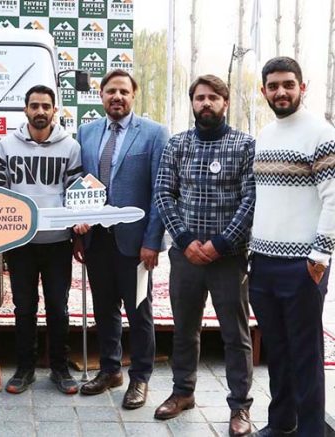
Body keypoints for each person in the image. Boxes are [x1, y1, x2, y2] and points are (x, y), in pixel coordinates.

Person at [153, 75, 255, 435]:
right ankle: (183, 393)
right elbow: (164, 193)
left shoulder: (244, 145)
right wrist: (183, 239)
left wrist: (221, 243)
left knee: (235, 334)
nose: (206, 103)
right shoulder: (177, 145)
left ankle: (240, 407)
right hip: (186, 255)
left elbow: (250, 200)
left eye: (213, 97)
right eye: (200, 98)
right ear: (192, 103)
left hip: (228, 257)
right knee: (185, 329)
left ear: (225, 102)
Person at [249, 57, 335, 437]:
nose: (280, 91)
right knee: (277, 351)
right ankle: (282, 421)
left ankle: (312, 430)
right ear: (263, 90)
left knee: (305, 352)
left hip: (303, 264)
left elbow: (333, 198)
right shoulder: (265, 135)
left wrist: (319, 256)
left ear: (303, 87)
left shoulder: (321, 133)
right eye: (273, 85)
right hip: (264, 261)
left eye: (288, 84)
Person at [72, 69, 168, 409]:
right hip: (97, 240)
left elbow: (161, 192)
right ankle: (110, 370)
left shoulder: (155, 134)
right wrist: (76, 230)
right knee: (105, 309)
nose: (117, 97)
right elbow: (79, 185)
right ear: (101, 95)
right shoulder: (86, 132)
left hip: (136, 242)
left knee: (139, 312)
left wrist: (154, 241)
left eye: (124, 91)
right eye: (111, 91)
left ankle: (139, 379)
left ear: (133, 95)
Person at [0, 85, 82, 394]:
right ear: (25, 110)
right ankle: (25, 369)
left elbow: (75, 193)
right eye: (34, 106)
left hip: (57, 242)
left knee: (58, 306)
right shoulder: (6, 145)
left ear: (55, 110)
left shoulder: (70, 146)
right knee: (24, 307)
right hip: (20, 243)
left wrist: (80, 222)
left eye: (46, 106)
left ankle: (60, 368)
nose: (40, 111)